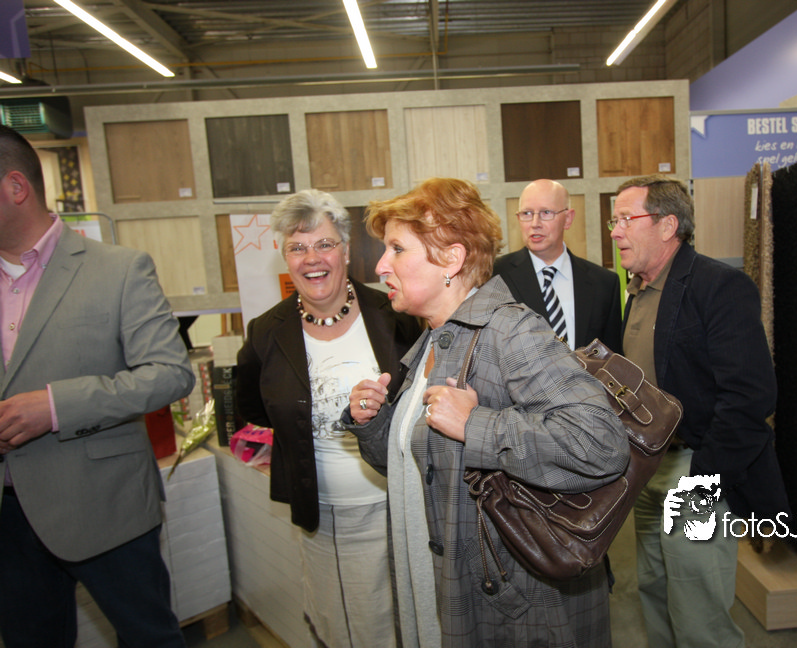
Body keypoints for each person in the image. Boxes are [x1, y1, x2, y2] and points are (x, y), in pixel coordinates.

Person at [346, 177, 629, 648]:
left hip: (511, 609)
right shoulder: (431, 341)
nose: (380, 266)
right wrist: (375, 424)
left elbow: (600, 443)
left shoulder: (509, 331)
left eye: (396, 249)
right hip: (439, 585)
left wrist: (477, 424)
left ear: (451, 260)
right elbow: (420, 468)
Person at [0, 125, 195, 647]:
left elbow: (170, 372)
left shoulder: (118, 270)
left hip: (104, 505)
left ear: (15, 187)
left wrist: (55, 407)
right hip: (10, 517)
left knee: (148, 638)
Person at [235, 189, 424, 648]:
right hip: (321, 516)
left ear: (345, 250)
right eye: (297, 247)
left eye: (323, 244)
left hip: (396, 505)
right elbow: (252, 411)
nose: (312, 259)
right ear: (285, 257)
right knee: (338, 627)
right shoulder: (266, 332)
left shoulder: (394, 314)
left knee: (406, 622)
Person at [610, 175, 789, 648]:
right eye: (613, 221)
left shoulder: (719, 286)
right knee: (654, 591)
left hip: (695, 470)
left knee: (698, 612)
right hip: (648, 468)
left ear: (668, 225)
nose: (615, 231)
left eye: (626, 219)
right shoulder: (638, 290)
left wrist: (703, 481)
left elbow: (750, 397)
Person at [494, 179, 622, 351]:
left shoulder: (604, 283)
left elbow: (612, 356)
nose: (535, 223)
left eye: (546, 212)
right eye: (527, 213)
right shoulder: (496, 276)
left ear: (568, 219)